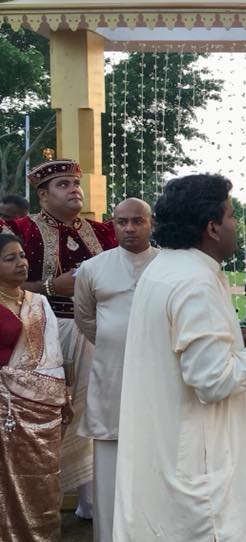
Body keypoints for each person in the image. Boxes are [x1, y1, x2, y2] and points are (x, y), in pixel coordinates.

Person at [113, 174, 246, 541]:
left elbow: (184, 347)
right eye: (232, 215)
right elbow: (214, 381)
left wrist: (240, 338)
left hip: (170, 455)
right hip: (198, 470)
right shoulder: (195, 281)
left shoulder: (166, 268)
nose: (237, 225)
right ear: (212, 227)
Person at [0, 156, 116, 518]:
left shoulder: (104, 233)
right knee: (42, 411)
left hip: (95, 332)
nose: (74, 190)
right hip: (37, 329)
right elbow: (8, 284)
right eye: (62, 185)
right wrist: (52, 287)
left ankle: (91, 503)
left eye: (75, 183)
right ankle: (35, 502)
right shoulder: (20, 228)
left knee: (93, 410)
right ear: (43, 195)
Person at [73, 198, 159, 542]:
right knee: (109, 465)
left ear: (151, 223)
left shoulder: (167, 266)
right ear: (113, 224)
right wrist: (117, 343)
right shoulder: (93, 268)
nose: (129, 228)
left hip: (157, 381)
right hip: (110, 378)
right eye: (122, 222)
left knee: (156, 464)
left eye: (138, 221)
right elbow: (85, 319)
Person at [0, 233, 70, 541]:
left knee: (44, 477)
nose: (21, 263)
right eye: (10, 258)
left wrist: (62, 393)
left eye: (22, 256)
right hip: (4, 408)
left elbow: (54, 355)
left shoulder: (39, 303)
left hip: (43, 405)